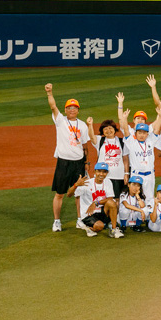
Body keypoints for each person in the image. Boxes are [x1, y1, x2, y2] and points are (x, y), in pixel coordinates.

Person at [45, 83, 91, 232]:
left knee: (79, 193)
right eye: (69, 108)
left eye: (75, 108)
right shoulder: (60, 120)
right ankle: (56, 221)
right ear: (65, 110)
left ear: (78, 110)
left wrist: (86, 162)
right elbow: (53, 107)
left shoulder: (82, 125)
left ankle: (80, 219)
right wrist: (49, 93)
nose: (72, 110)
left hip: (78, 163)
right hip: (63, 162)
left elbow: (85, 146)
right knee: (60, 193)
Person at [70, 163, 121, 238]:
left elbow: (110, 199)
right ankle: (86, 226)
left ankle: (113, 230)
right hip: (89, 213)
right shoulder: (87, 183)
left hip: (100, 211)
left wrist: (96, 203)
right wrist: (76, 185)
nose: (101, 174)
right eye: (99, 171)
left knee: (113, 203)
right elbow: (69, 194)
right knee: (99, 226)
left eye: (104, 172)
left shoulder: (108, 182)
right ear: (94, 172)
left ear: (107, 173)